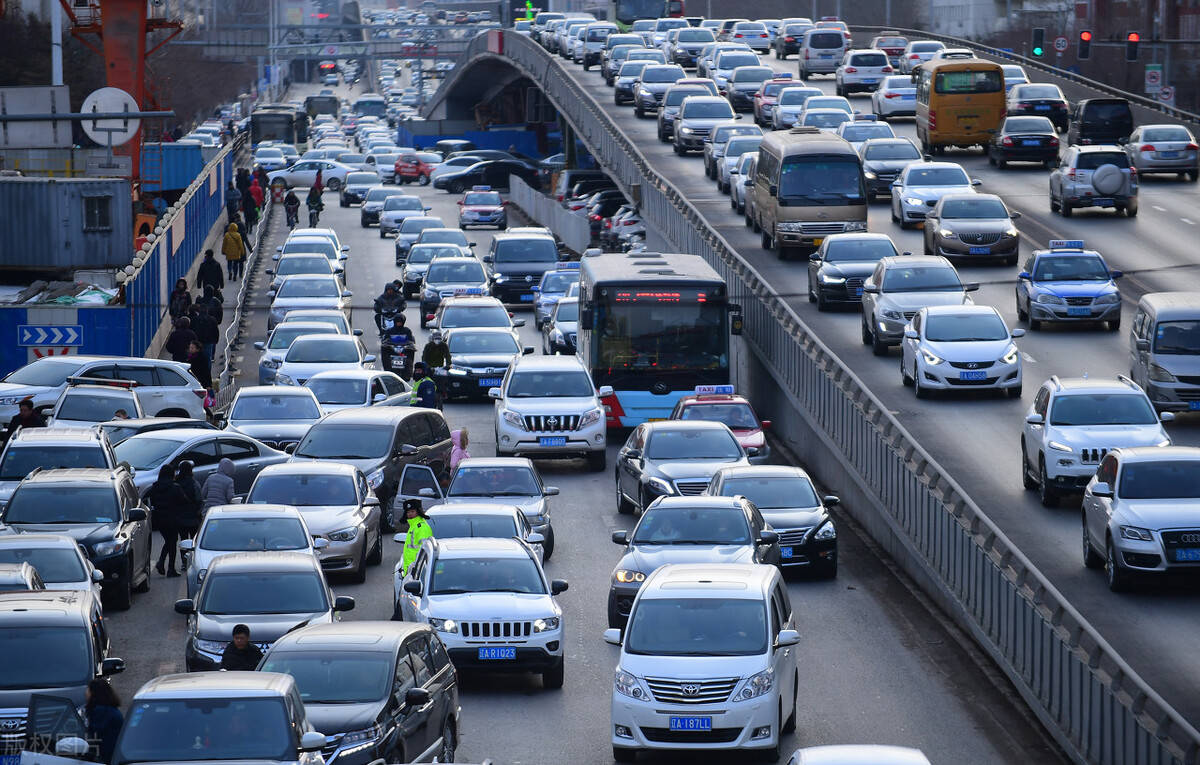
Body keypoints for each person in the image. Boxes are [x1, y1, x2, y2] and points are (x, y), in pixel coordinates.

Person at [146, 463, 187, 576]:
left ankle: (162, 563)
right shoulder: (175, 487)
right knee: (172, 541)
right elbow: (184, 500)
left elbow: (148, 498)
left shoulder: (155, 487)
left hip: (159, 519)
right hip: (172, 518)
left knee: (169, 541)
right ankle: (170, 568)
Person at [84, 678, 123, 764]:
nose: (86, 693)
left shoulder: (102, 711)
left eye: (88, 690)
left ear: (94, 693)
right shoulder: (109, 709)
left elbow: (94, 735)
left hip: (106, 757)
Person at [400, 499, 433, 577]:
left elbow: (425, 550)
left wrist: (416, 568)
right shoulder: (413, 526)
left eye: (412, 511)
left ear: (418, 511)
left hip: (417, 571)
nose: (410, 514)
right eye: (408, 512)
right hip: (410, 570)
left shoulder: (422, 528)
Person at [175, 460, 202, 541]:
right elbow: (199, 499)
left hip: (180, 517)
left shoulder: (176, 483)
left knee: (183, 539)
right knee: (194, 540)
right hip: (193, 517)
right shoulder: (194, 483)